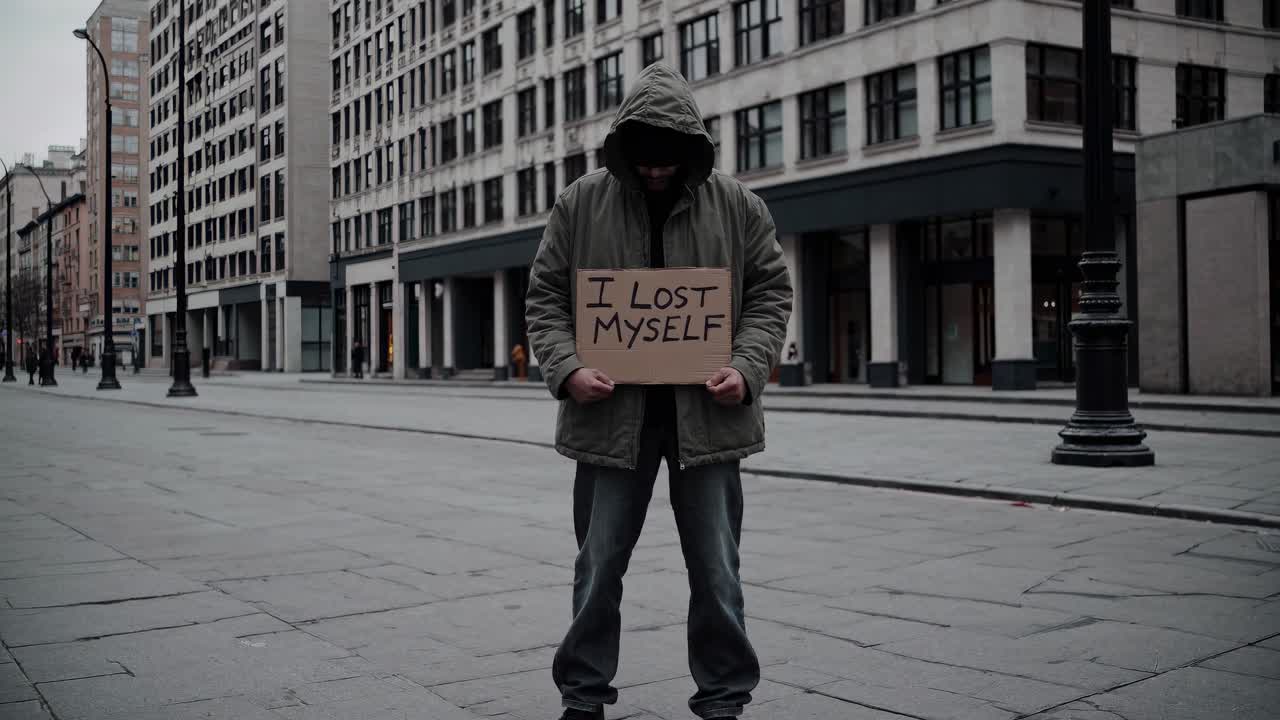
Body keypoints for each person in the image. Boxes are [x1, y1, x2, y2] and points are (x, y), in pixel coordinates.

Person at [526, 63, 792, 720]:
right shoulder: (580, 202)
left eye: (665, 161)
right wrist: (568, 370)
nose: (653, 173)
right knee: (597, 572)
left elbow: (769, 296)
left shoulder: (738, 205)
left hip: (708, 419)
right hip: (610, 421)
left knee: (717, 573)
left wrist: (745, 366)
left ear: (691, 151)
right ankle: (583, 699)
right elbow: (546, 299)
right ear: (624, 150)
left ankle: (724, 700)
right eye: (642, 161)